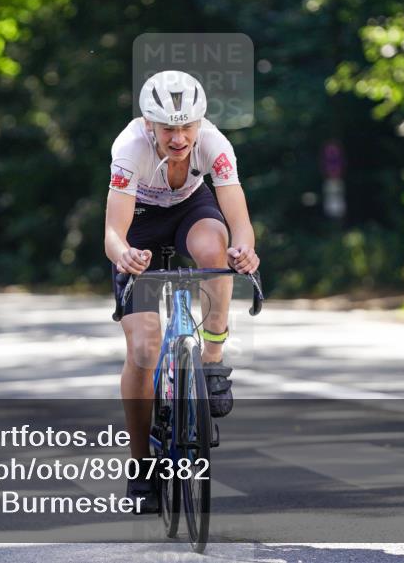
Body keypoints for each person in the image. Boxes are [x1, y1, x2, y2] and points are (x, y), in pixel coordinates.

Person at [104, 70, 260, 512]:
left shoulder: (215, 144)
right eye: (168, 128)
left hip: (191, 209)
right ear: (149, 123)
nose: (178, 138)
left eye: (187, 126)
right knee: (143, 350)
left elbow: (239, 221)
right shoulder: (129, 148)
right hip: (141, 226)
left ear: (200, 122)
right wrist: (124, 255)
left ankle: (212, 360)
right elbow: (113, 232)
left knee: (216, 247)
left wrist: (245, 250)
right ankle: (141, 467)